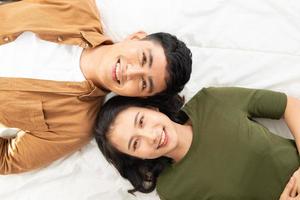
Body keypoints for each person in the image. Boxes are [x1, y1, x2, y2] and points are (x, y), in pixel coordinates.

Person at [0, 0, 192, 174]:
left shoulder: (75, 127)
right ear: (135, 38)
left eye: (143, 83)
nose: (131, 72)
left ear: (140, 98)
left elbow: (6, 160)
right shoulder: (77, 6)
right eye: (143, 58)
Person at [94, 87, 300, 200]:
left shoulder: (211, 101)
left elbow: (288, 105)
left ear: (152, 108)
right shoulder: (173, 192)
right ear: (137, 158)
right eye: (136, 144)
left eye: (141, 120)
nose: (151, 136)